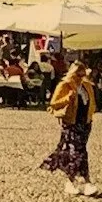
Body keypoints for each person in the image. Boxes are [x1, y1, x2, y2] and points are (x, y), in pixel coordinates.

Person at [42, 57, 96, 194]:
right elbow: (54, 103)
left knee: (80, 151)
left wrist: (90, 117)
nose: (80, 77)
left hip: (85, 123)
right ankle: (80, 180)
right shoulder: (65, 85)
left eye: (83, 74)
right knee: (76, 152)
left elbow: (92, 103)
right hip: (71, 123)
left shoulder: (86, 86)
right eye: (78, 74)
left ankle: (77, 180)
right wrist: (68, 98)